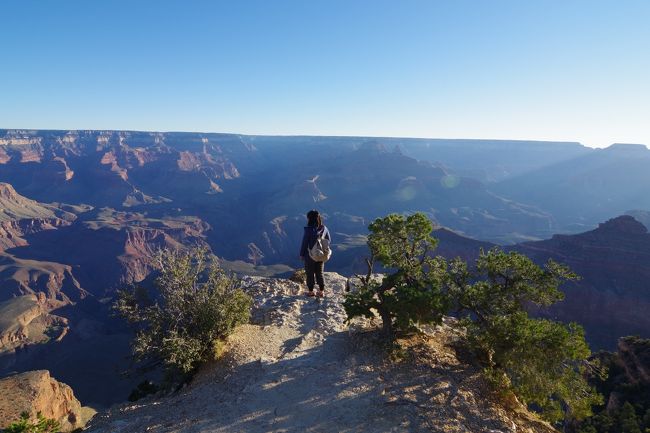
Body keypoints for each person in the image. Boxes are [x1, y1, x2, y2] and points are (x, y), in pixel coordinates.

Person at [299, 210, 331, 297]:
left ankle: (310, 292)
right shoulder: (324, 229)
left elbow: (305, 243)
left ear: (309, 219)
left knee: (310, 273)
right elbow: (328, 240)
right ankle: (321, 292)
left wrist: (302, 254)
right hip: (321, 254)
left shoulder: (309, 230)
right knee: (319, 273)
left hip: (310, 255)